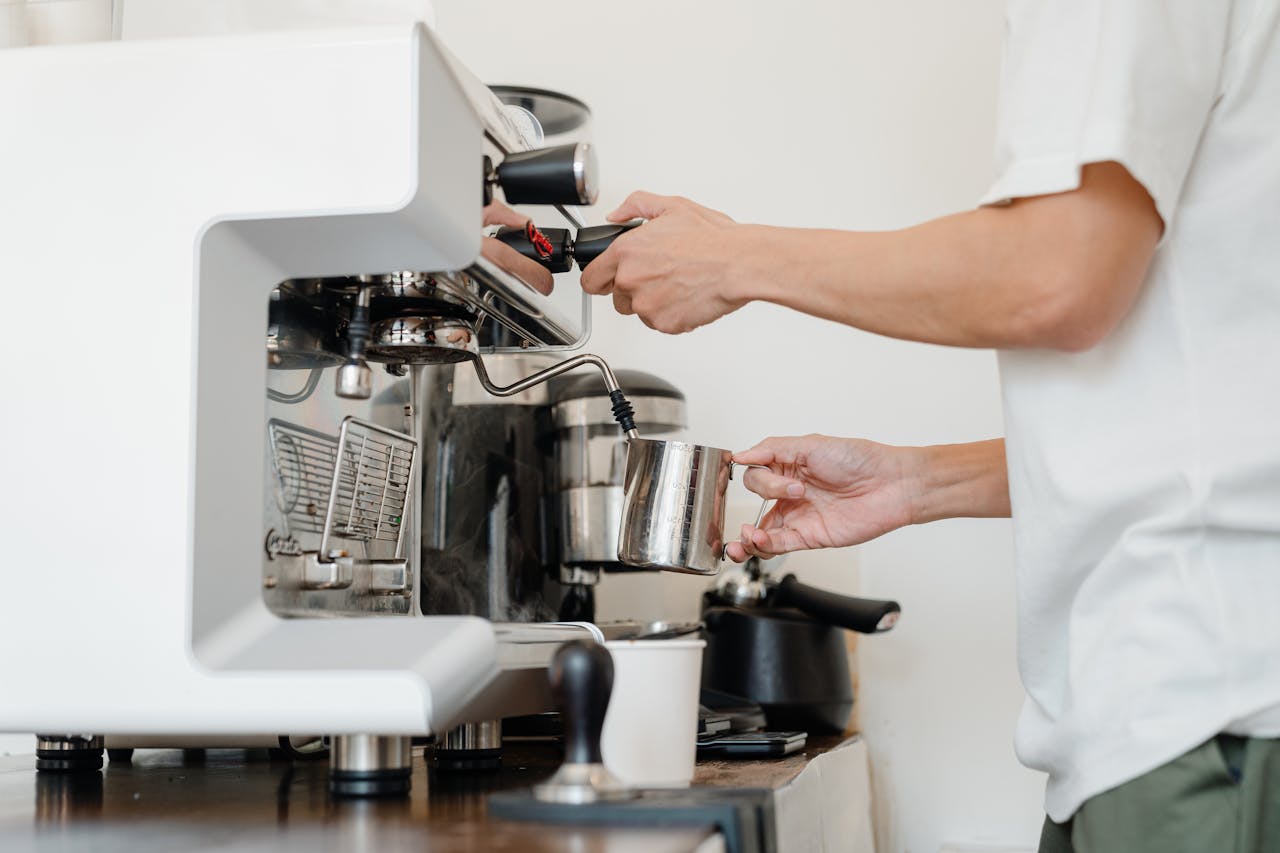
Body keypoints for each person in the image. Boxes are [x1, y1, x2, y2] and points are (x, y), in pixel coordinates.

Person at [577, 2, 1280, 851]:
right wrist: (913, 482)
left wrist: (737, 260)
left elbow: (1058, 272)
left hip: (1205, 694)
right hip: (1174, 698)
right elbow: (1216, 404)